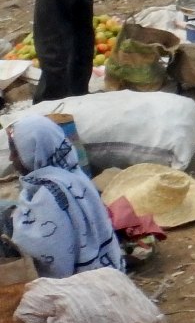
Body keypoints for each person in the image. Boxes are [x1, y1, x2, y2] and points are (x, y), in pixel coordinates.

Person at [6, 115, 123, 278]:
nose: (11, 158)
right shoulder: (74, 174)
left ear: (35, 152)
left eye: (15, 152)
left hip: (76, 286)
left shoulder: (49, 195)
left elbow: (46, 257)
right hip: (109, 271)